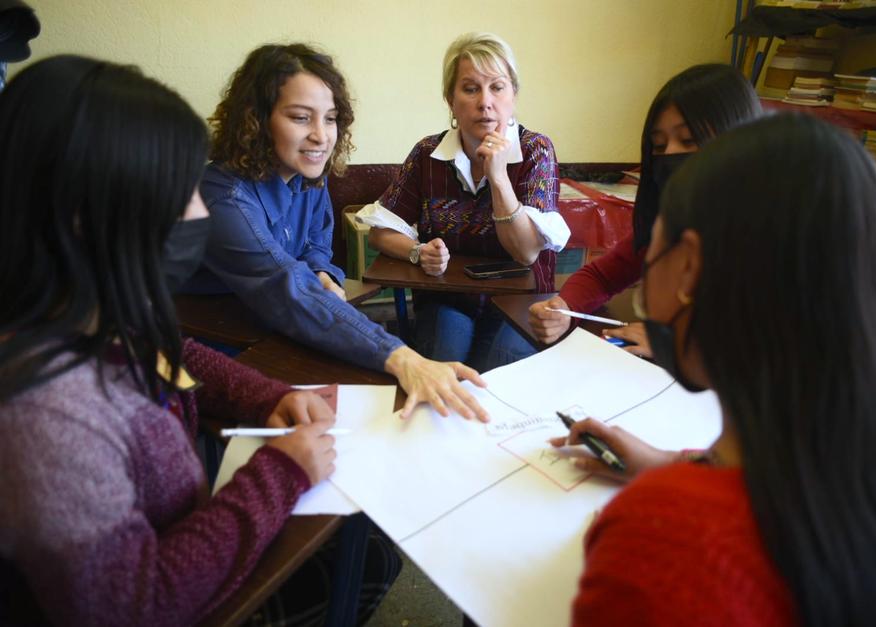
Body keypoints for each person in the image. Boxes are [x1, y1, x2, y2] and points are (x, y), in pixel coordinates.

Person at [0, 56, 399, 627]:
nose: (198, 209)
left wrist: (263, 397)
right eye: (180, 188)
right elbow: (136, 606)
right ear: (87, 213)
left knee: (370, 556)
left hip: (192, 530)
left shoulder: (92, 315)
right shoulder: (48, 417)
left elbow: (170, 355)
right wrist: (279, 474)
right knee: (365, 563)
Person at [559, 114, 876, 626]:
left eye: (657, 245)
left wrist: (639, 525)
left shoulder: (666, 540)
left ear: (689, 268)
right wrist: (674, 463)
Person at [188, 43, 488, 421]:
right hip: (213, 339)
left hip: (275, 319)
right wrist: (404, 358)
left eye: (330, 119)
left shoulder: (309, 173)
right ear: (257, 120)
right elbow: (286, 285)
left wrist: (322, 272)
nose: (321, 136)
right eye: (300, 118)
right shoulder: (223, 198)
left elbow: (316, 242)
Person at [363, 32, 570, 372]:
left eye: (498, 87)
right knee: (445, 368)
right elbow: (380, 233)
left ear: (513, 95)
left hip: (522, 300)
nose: (485, 102)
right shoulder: (427, 154)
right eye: (470, 88)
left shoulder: (536, 150)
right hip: (447, 298)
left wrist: (499, 177)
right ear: (451, 100)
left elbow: (526, 251)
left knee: (494, 375)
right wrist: (418, 252)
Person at [528, 64, 761, 352]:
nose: (670, 155)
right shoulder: (670, 225)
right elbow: (601, 276)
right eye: (659, 146)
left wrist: (677, 344)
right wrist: (564, 309)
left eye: (689, 140)